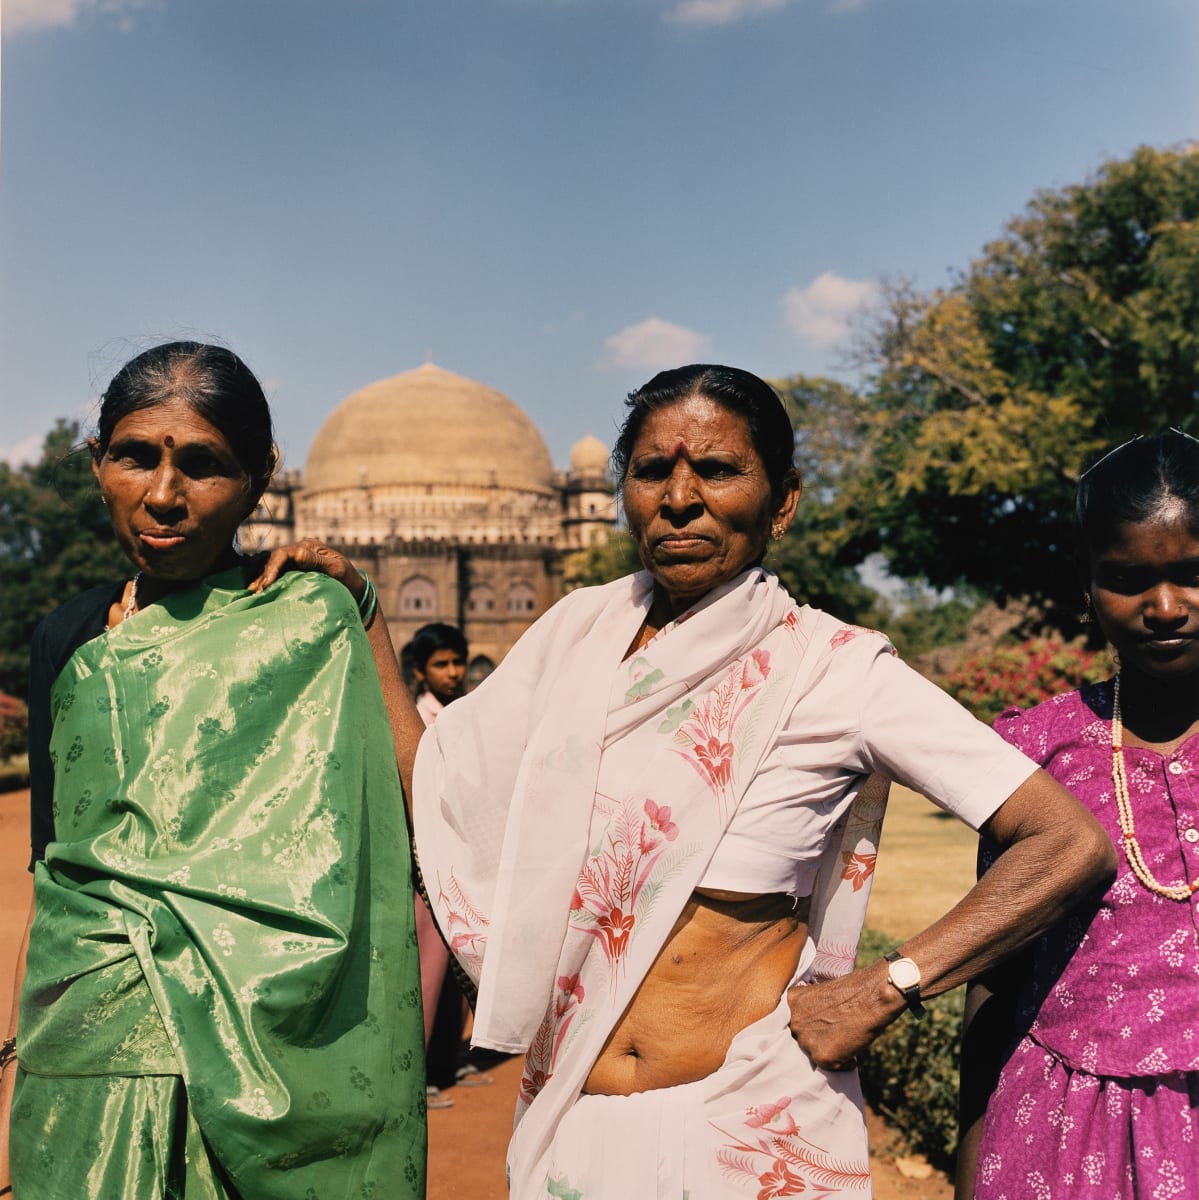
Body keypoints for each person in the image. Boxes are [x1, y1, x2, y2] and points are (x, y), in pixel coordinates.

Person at [412, 363, 1116, 1198]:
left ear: (781, 501)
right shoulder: (572, 649)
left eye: (716, 469)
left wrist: (890, 986)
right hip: (573, 1117)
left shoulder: (833, 672)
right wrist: (364, 619)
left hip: (741, 1127)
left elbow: (1066, 842)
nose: (679, 497)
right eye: (651, 471)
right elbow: (435, 782)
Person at [0, 342, 426, 1198]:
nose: (163, 495)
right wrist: (28, 1042)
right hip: (91, 1038)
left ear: (261, 477)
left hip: (274, 1038)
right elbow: (60, 864)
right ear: (96, 463)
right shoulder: (70, 636)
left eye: (202, 465)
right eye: (134, 457)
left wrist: (365, 609)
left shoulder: (310, 617)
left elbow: (424, 806)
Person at [958, 430, 1199, 1200]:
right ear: (1087, 585)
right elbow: (995, 973)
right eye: (1128, 579)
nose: (1164, 607)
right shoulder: (1035, 753)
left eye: (1192, 574)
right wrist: (969, 1156)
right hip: (1063, 1138)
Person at [407, 622, 481, 1109]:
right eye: (442, 664)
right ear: (420, 672)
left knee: (460, 960)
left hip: (461, 853)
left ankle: (447, 1059)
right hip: (424, 859)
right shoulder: (416, 719)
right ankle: (417, 1078)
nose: (453, 673)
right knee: (429, 966)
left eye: (458, 662)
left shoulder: (464, 715)